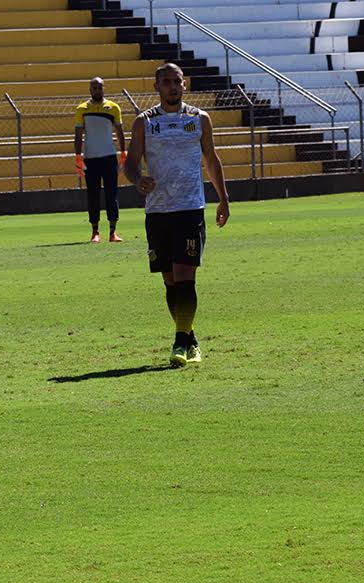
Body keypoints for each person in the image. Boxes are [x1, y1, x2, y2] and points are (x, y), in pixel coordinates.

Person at [123, 62, 229, 367]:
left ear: (185, 84)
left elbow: (212, 159)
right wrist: (137, 179)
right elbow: (129, 162)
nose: (172, 86)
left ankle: (180, 344)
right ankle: (189, 336)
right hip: (158, 211)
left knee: (185, 277)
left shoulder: (199, 119)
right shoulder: (144, 122)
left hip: (190, 208)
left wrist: (223, 199)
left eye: (177, 81)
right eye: (166, 82)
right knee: (170, 281)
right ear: (156, 87)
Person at [74, 77, 126, 243]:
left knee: (112, 194)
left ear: (104, 88)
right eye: (94, 87)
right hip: (90, 158)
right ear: (90, 89)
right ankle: (95, 231)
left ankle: (113, 231)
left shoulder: (113, 108)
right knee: (93, 195)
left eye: (100, 87)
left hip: (109, 157)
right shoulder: (82, 109)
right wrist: (78, 156)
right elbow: (78, 134)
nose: (97, 90)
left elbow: (119, 131)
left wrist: (123, 152)